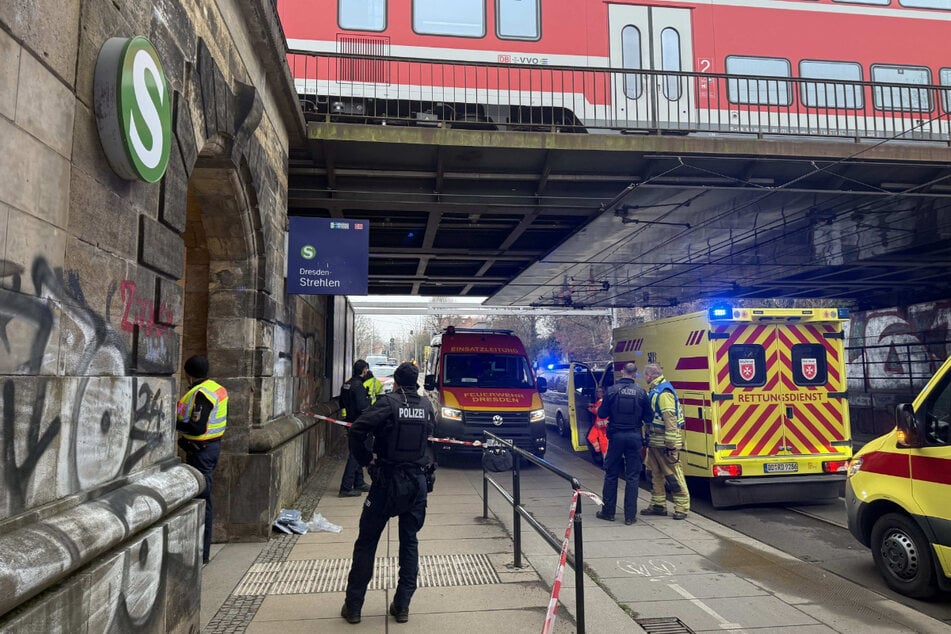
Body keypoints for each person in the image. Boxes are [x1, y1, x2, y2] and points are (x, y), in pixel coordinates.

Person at [341, 362, 436, 625]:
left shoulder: (388, 403)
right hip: (416, 483)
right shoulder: (426, 406)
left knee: (367, 542)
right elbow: (431, 439)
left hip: (387, 482)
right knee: (410, 542)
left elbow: (358, 428)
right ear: (416, 381)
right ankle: (403, 605)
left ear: (395, 381)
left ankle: (354, 606)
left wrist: (365, 459)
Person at [176, 355, 228, 564]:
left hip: (202, 452)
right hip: (208, 449)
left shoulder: (202, 394)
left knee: (203, 500)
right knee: (202, 499)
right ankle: (200, 551)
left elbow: (197, 427)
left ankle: (202, 553)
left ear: (188, 374)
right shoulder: (215, 388)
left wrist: (172, 422)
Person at [595, 362, 651, 525]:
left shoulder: (612, 391)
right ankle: (630, 516)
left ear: (622, 372)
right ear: (635, 374)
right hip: (634, 436)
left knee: (611, 473)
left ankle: (609, 512)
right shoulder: (641, 393)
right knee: (633, 476)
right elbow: (649, 417)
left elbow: (602, 413)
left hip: (616, 436)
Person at [641, 362, 690, 520]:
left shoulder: (663, 393)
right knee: (653, 473)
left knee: (673, 476)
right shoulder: (656, 390)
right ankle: (658, 505)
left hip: (664, 443)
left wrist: (670, 445)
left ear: (650, 375)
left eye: (645, 375)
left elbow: (670, 419)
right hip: (655, 442)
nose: (644, 378)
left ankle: (682, 507)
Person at [338, 360, 372, 497]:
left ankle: (359, 482)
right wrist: (370, 400)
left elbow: (341, 403)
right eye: (366, 370)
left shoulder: (346, 384)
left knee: (356, 451)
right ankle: (346, 487)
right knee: (355, 455)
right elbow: (362, 406)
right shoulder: (359, 386)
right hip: (359, 423)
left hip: (349, 422)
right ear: (364, 370)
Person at [586, 386, 610, 466]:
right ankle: (598, 451)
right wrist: (593, 405)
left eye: (600, 391)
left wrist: (591, 409)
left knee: (604, 445)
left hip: (603, 427)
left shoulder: (604, 401)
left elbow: (599, 411)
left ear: (603, 392)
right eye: (597, 391)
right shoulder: (600, 401)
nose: (598, 393)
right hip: (598, 425)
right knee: (591, 437)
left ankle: (606, 463)